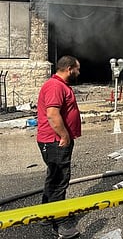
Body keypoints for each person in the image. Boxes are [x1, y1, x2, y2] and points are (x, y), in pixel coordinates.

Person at [36, 55, 82, 239]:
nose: (79, 72)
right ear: (69, 69)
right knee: (60, 179)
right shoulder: (55, 86)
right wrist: (64, 136)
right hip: (55, 141)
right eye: (77, 69)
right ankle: (61, 222)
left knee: (54, 176)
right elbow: (52, 114)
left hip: (55, 140)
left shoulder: (59, 85)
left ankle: (46, 215)